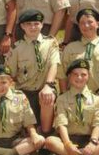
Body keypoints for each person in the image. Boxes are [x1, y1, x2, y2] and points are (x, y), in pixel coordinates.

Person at [44, 59, 99, 155]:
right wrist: (67, 144)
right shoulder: (62, 99)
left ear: (88, 76)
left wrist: (92, 144)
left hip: (87, 140)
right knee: (49, 141)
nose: (79, 78)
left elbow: (98, 124)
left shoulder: (96, 100)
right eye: (75, 74)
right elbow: (61, 124)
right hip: (67, 138)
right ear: (69, 76)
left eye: (83, 74)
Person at [59, 9, 99, 137]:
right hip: (76, 91)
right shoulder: (70, 48)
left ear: (98, 24)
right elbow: (62, 73)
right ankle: (72, 136)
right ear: (78, 26)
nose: (86, 26)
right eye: (82, 23)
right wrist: (64, 93)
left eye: (90, 22)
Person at [5, 9, 59, 142]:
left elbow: (54, 64)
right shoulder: (17, 48)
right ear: (22, 26)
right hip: (24, 91)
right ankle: (20, 136)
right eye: (28, 24)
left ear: (42, 25)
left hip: (43, 88)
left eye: (36, 23)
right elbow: (9, 74)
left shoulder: (51, 43)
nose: (33, 27)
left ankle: (46, 135)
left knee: (47, 97)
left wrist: (48, 86)